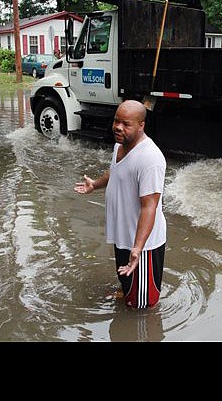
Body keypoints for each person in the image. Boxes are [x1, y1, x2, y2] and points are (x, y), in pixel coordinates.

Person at [74, 100, 167, 308]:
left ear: (141, 125)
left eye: (126, 124)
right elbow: (116, 172)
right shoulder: (120, 145)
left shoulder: (150, 159)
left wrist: (138, 249)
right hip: (125, 237)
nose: (118, 127)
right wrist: (95, 185)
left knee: (143, 306)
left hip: (142, 245)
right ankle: (127, 294)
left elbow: (149, 206)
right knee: (128, 288)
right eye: (116, 121)